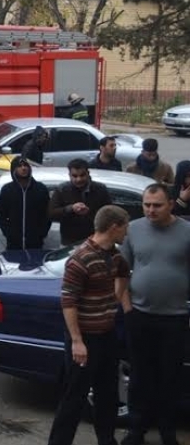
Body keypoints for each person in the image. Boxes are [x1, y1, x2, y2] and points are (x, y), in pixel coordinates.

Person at [46, 205, 131, 445]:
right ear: (114, 227)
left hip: (107, 335)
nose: (127, 232)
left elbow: (124, 274)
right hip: (85, 338)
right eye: (125, 227)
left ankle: (107, 440)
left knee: (108, 395)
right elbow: (68, 302)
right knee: (74, 396)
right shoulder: (80, 259)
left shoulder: (114, 254)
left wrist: (115, 299)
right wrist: (76, 341)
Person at [119, 184, 190, 445]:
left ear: (171, 203)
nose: (150, 210)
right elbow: (121, 273)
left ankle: (167, 431)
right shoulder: (134, 229)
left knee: (169, 378)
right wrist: (127, 308)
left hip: (175, 318)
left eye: (157, 205)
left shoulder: (186, 232)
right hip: (139, 315)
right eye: (146, 205)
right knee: (139, 376)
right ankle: (137, 429)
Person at [49, 158, 112, 247]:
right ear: (69, 175)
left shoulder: (100, 189)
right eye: (74, 176)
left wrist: (89, 212)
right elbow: (51, 213)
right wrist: (71, 208)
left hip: (95, 241)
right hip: (70, 242)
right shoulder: (62, 189)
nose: (78, 179)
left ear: (88, 173)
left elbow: (109, 213)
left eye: (82, 175)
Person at [0, 156, 51, 250]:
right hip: (13, 244)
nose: (23, 168)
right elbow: (1, 214)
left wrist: (41, 233)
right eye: (19, 166)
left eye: (26, 165)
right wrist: (8, 233)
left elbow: (47, 213)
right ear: (14, 169)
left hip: (35, 243)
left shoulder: (40, 189)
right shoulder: (7, 190)